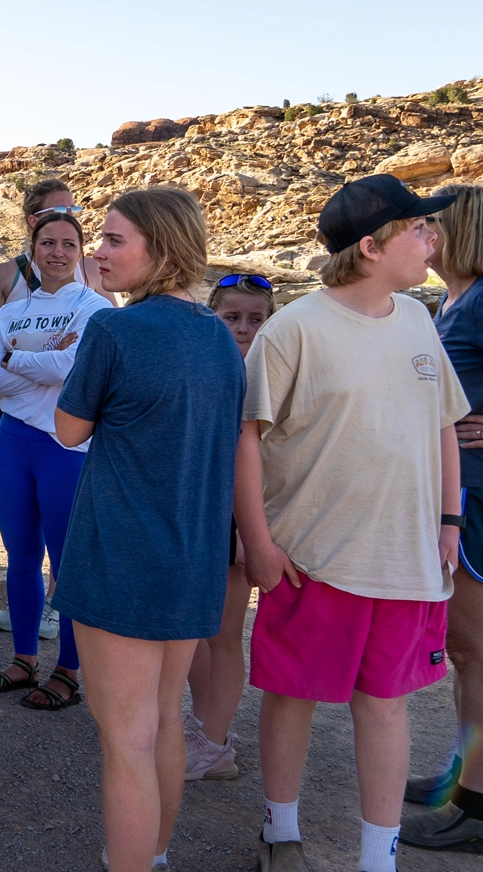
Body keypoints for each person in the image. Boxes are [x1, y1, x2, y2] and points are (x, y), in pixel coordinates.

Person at [237, 173, 466, 872]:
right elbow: (248, 435)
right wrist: (259, 543)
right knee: (293, 698)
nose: (433, 238)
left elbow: (444, 427)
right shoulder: (293, 329)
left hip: (406, 561)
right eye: (419, 229)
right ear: (371, 246)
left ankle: (379, 858)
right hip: (314, 557)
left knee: (387, 706)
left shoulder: (420, 319)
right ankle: (281, 836)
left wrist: (450, 520)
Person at [52, 188, 246, 871]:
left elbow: (69, 429)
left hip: (122, 561)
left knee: (125, 741)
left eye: (113, 241)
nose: (98, 254)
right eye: (100, 240)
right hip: (193, 562)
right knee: (165, 723)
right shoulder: (217, 335)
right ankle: (154, 854)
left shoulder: (113, 330)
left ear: (159, 250)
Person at [0, 210, 112, 709]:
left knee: (67, 564)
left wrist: (18, 358)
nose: (57, 252)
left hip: (65, 449)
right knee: (22, 557)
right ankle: (24, 659)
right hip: (12, 445)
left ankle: (68, 672)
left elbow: (73, 367)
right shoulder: (13, 311)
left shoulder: (94, 308)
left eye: (68, 244)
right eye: (47, 243)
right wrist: (42, 363)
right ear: (32, 249)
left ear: (82, 253)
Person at [401, 182, 483, 851]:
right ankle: (461, 777)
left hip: (479, 501)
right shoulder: (452, 299)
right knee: (465, 651)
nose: (419, 237)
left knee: (478, 652)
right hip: (455, 496)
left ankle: (477, 809)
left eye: (429, 226)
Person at [184, 273, 275, 781]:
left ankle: (215, 743)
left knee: (223, 634)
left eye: (255, 319)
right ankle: (203, 727)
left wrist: (249, 531)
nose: (243, 328)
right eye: (232, 317)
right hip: (198, 512)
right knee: (192, 628)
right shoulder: (208, 364)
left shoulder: (270, 373)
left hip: (239, 518)